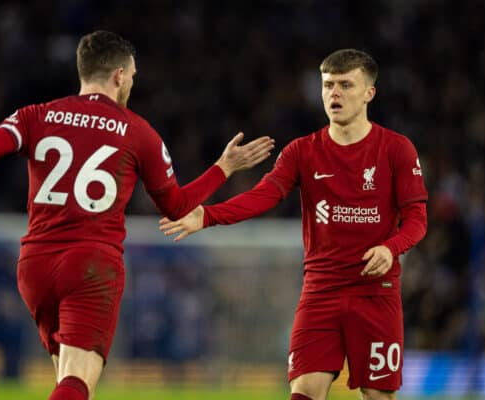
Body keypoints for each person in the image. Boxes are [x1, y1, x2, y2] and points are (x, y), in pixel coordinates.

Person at [0, 31, 274, 400]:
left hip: (35, 266)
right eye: (133, 76)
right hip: (91, 264)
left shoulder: (37, 115)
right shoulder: (139, 132)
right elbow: (175, 207)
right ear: (119, 75)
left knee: (68, 378)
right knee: (79, 381)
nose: (132, 84)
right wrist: (222, 169)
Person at [160, 49, 428, 400]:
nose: (335, 93)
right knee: (303, 392)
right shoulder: (302, 151)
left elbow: (418, 220)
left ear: (369, 93)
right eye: (328, 85)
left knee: (378, 395)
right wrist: (207, 215)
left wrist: (390, 248)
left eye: (346, 85)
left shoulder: (396, 149)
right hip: (321, 291)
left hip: (375, 293)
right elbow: (264, 195)